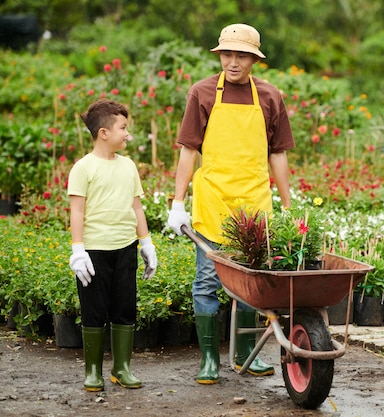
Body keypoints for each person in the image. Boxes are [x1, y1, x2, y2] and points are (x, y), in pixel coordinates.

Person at [167, 23, 295, 385]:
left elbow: (278, 154)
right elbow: (189, 149)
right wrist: (178, 202)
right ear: (219, 54)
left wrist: (287, 205)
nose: (233, 62)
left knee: (252, 281)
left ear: (254, 59)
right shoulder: (203, 92)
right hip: (213, 200)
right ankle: (209, 360)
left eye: (241, 55)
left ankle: (244, 355)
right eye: (227, 54)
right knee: (208, 281)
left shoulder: (270, 96)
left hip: (254, 201)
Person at [68, 99, 158, 392]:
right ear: (104, 132)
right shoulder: (83, 168)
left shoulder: (128, 166)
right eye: (123, 128)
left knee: (124, 307)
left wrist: (146, 243)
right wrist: (78, 250)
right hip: (94, 252)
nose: (128, 134)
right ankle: (93, 371)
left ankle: (122, 368)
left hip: (125, 248)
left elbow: (137, 207)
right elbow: (77, 211)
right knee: (93, 310)